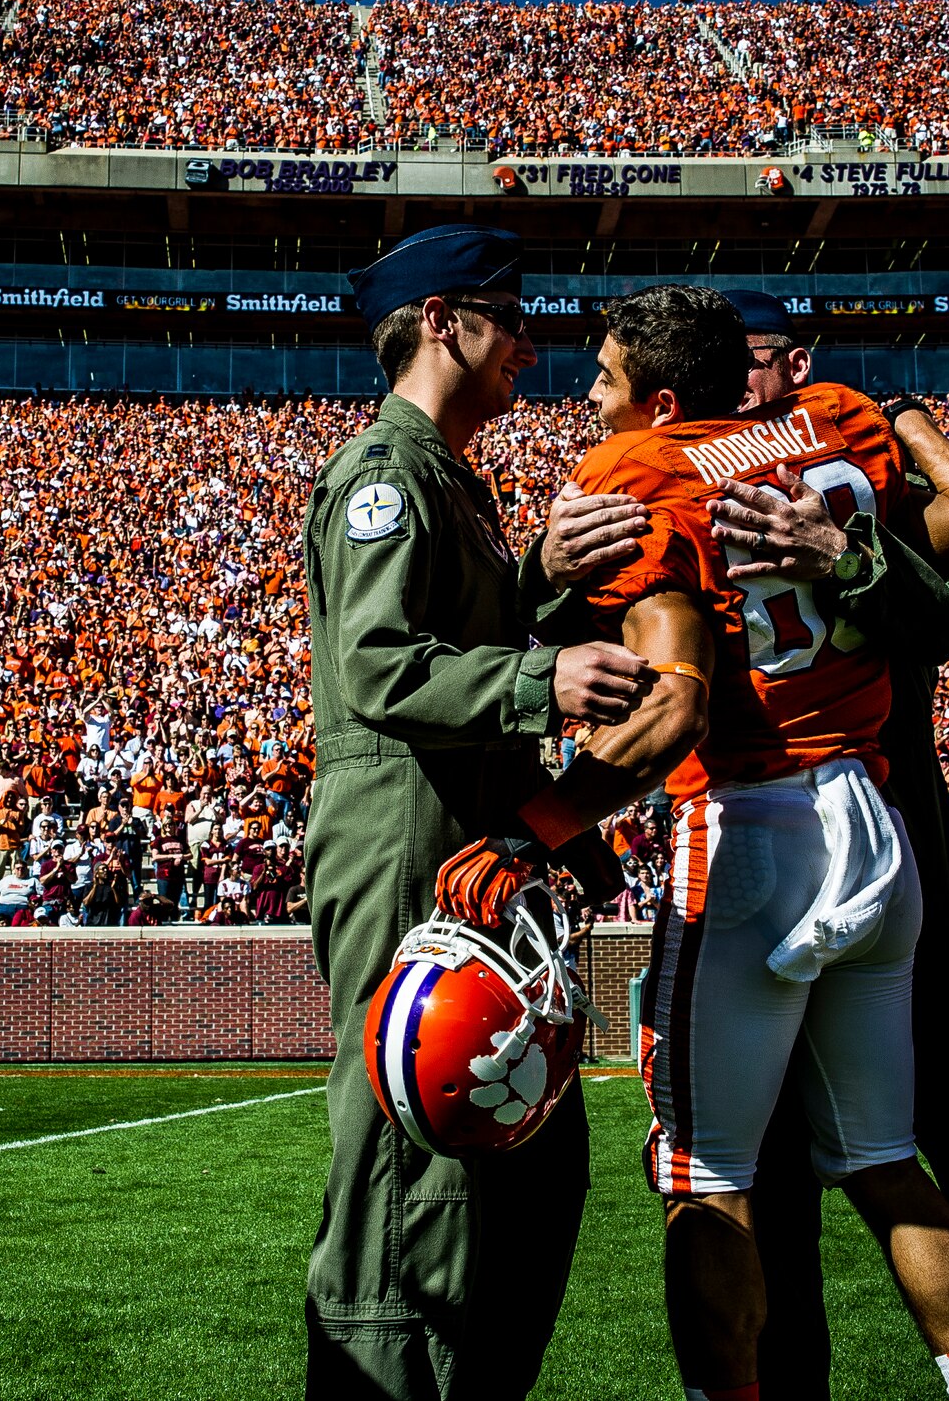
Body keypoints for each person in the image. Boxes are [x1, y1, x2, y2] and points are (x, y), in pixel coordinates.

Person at [504, 285, 949, 1401]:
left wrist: (537, 825)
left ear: (655, 396)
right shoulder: (834, 424)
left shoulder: (636, 475)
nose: (584, 399)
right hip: (871, 825)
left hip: (748, 825)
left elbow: (668, 705)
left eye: (599, 379)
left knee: (706, 1181)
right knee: (884, 1161)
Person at [301, 224, 648, 1400]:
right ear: (444, 321)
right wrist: (536, 680)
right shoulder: (383, 474)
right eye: (509, 317)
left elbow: (463, 630)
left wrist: (537, 580)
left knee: (521, 1173)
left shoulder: (448, 479)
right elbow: (380, 667)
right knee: (420, 1180)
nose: (532, 346)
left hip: (462, 843)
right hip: (406, 841)